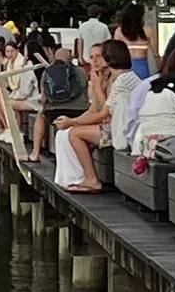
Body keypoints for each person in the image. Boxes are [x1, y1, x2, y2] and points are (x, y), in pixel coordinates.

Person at [54, 40, 128, 191]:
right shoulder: (100, 77)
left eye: (98, 56)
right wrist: (73, 121)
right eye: (91, 57)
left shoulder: (115, 79)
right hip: (106, 123)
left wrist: (97, 86)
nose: (94, 61)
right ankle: (73, 177)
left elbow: (106, 112)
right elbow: (93, 110)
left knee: (74, 134)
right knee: (63, 133)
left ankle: (91, 179)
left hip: (117, 127)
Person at [116, 5, 153, 79]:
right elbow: (155, 53)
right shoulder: (148, 30)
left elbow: (115, 53)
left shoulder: (119, 31)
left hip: (125, 67)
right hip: (142, 66)